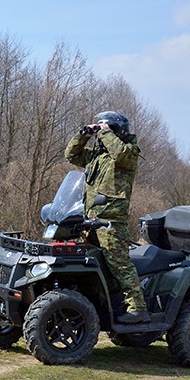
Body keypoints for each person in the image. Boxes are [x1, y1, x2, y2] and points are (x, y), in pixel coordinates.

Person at [65, 110, 149, 324]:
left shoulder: (129, 152)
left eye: (107, 128)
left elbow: (120, 154)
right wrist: (83, 135)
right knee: (91, 263)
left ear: (117, 132)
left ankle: (138, 308)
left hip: (112, 221)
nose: (101, 133)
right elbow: (71, 155)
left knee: (119, 263)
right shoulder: (97, 157)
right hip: (90, 221)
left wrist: (104, 132)